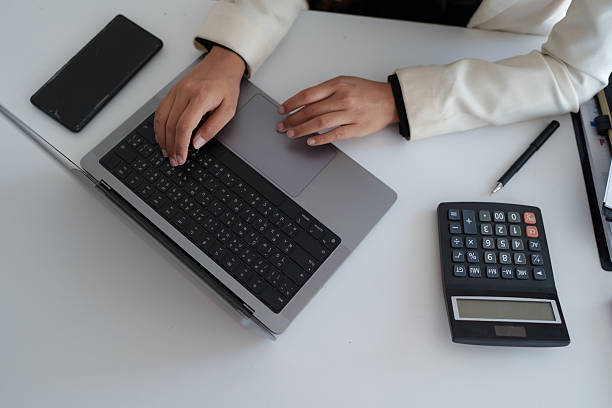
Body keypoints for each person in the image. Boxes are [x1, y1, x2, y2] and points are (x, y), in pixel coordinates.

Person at [153, 0, 612, 167]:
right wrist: (232, 49)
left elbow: (573, 70)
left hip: (478, 47)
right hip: (331, 20)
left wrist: (402, 99)